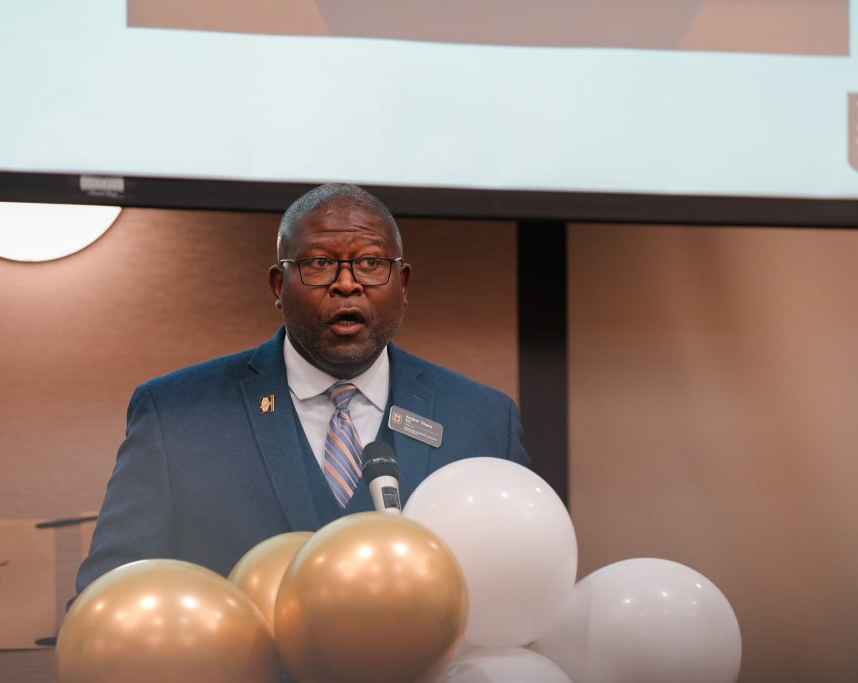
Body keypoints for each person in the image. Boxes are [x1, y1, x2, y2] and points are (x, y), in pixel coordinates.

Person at [75, 183, 529, 596]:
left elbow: (521, 589)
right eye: (319, 264)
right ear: (279, 285)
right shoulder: (177, 414)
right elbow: (110, 598)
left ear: (403, 284)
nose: (347, 283)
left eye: (371, 263)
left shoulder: (483, 421)